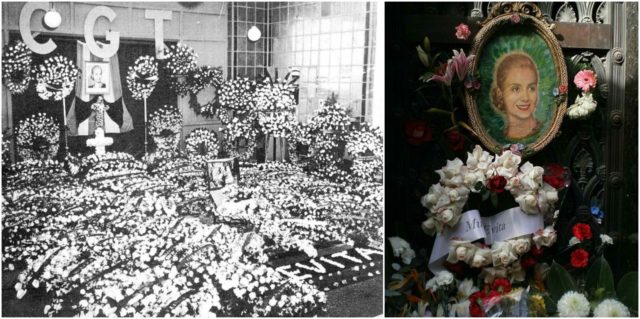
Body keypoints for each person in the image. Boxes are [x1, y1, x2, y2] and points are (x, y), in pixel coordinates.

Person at [490, 52, 541, 140]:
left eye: (531, 88)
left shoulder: (544, 132)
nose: (525, 98)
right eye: (516, 89)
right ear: (500, 93)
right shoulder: (496, 139)